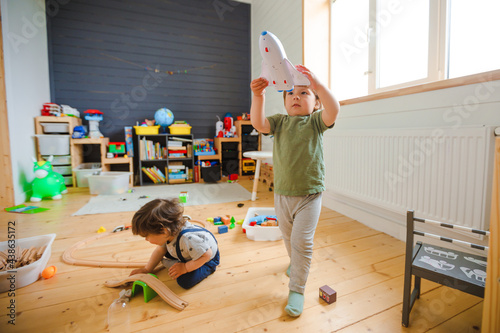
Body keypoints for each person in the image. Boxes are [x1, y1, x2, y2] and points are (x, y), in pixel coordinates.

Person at [250, 65, 340, 317]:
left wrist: (320, 86)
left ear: (316, 103)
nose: (296, 97)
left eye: (304, 93)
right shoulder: (279, 122)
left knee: (302, 241)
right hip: (282, 195)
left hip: (310, 195)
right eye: (290, 93)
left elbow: (335, 111)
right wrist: (258, 97)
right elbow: (258, 122)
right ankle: (295, 262)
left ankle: (297, 289)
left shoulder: (315, 122)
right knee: (289, 239)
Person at [130, 198, 219, 289]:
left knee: (184, 281)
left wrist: (185, 267)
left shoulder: (188, 239)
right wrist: (147, 269)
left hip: (206, 258)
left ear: (163, 231)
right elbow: (160, 251)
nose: (146, 239)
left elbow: (207, 255)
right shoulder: (168, 232)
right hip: (192, 250)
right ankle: (183, 261)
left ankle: (208, 268)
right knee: (165, 251)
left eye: (146, 236)